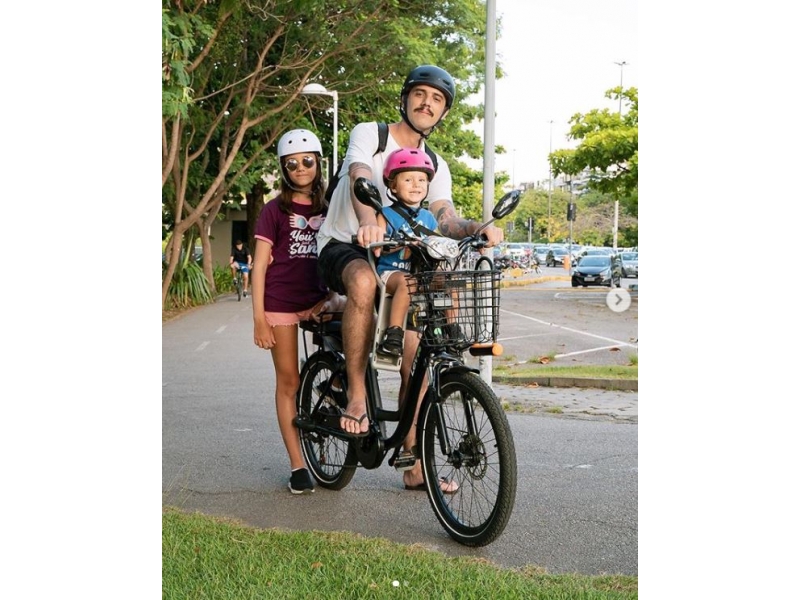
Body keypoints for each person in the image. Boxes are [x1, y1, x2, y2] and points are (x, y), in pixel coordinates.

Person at [316, 65, 504, 492]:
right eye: (421, 94)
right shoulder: (371, 134)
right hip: (346, 244)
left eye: (437, 99)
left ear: (443, 113)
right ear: (406, 98)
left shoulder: (436, 164)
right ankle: (358, 396)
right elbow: (359, 174)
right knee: (363, 281)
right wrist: (370, 222)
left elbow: (445, 217)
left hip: (402, 260)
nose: (427, 103)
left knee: (417, 356)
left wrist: (476, 228)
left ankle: (415, 462)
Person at [251, 128, 345, 495]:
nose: (301, 168)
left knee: (360, 333)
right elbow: (259, 267)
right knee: (288, 381)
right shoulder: (274, 211)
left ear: (318, 163)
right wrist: (259, 319)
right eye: (292, 164)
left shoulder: (329, 207)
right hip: (281, 306)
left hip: (319, 299)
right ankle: (298, 465)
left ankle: (333, 385)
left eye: (307, 161)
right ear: (284, 168)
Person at [374, 148, 438, 358]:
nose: (416, 185)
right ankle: (393, 334)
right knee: (407, 281)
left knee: (450, 279)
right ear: (393, 185)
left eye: (421, 179)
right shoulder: (386, 214)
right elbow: (377, 245)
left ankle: (451, 327)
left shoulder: (429, 217)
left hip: (419, 274)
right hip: (391, 273)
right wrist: (398, 243)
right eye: (408, 179)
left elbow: (437, 242)